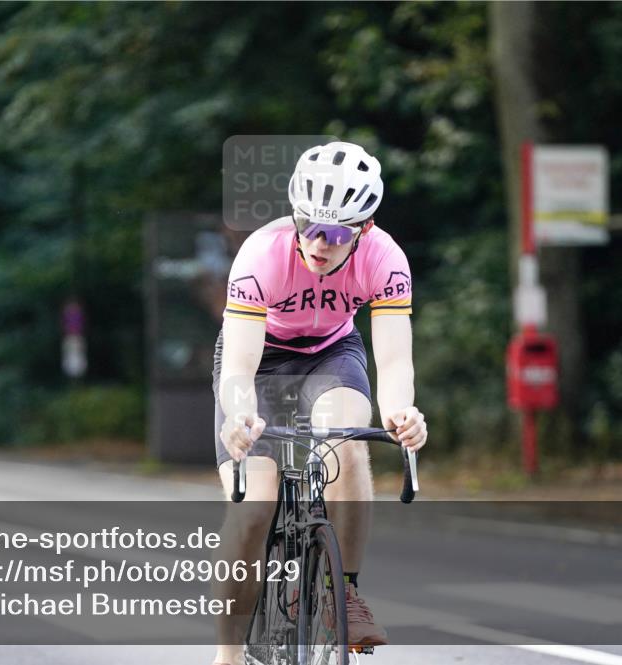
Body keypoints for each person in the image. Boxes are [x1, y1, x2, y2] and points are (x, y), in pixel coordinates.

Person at [211, 141, 428, 665]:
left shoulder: (385, 258)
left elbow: (395, 362)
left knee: (349, 441)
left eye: (335, 235)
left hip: (331, 352)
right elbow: (239, 367)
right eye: (309, 226)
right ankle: (228, 654)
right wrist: (240, 414)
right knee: (254, 508)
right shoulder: (262, 254)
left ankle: (346, 591)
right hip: (260, 361)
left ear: (364, 230)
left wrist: (403, 411)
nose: (319, 244)